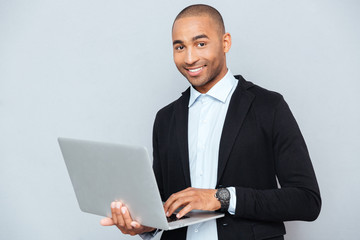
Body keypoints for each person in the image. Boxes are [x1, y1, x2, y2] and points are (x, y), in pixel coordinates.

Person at [100, 4, 321, 240]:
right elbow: (163, 206)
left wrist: (221, 198)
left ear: (225, 42)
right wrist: (145, 225)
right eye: (180, 46)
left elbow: (306, 200)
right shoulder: (165, 119)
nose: (190, 57)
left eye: (200, 43)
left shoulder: (269, 107)